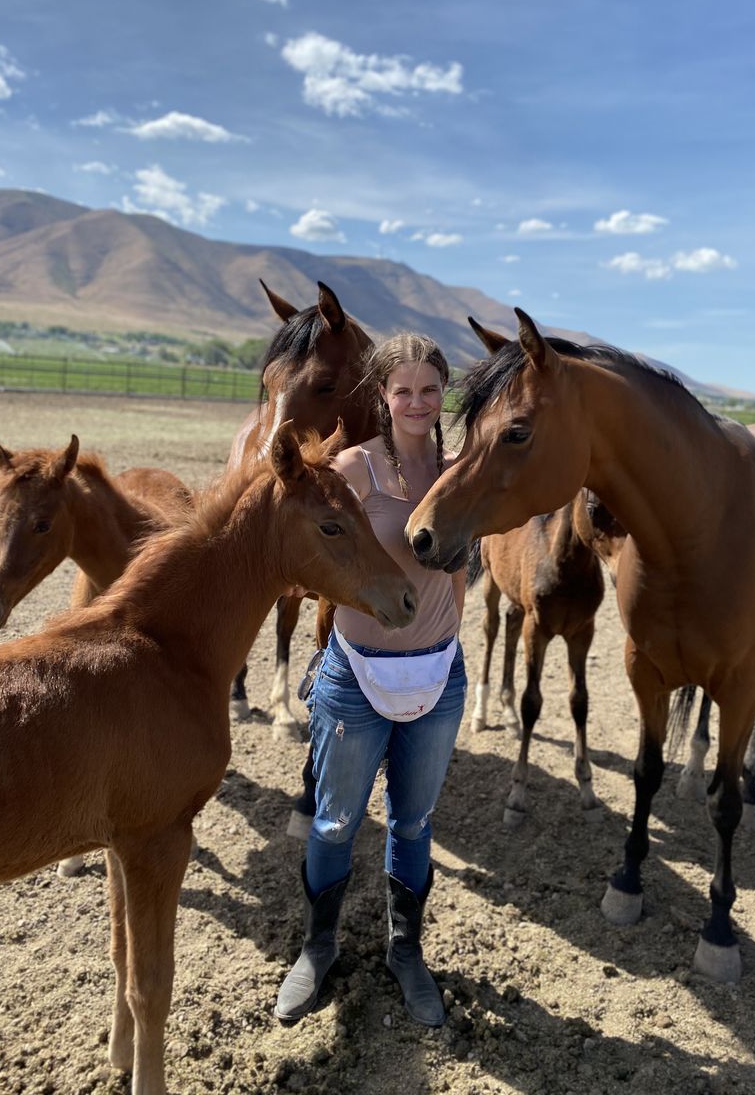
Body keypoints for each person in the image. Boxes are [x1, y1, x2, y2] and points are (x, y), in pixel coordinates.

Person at [275, 333, 466, 1028]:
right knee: (334, 822)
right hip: (355, 677)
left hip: (438, 676)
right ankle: (316, 948)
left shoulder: (459, 473)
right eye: (402, 389)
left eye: (428, 388)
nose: (416, 401)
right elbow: (301, 537)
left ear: (442, 393)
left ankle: (405, 951)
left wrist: (449, 636)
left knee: (413, 823)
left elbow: (460, 572)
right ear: (383, 397)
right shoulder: (353, 468)